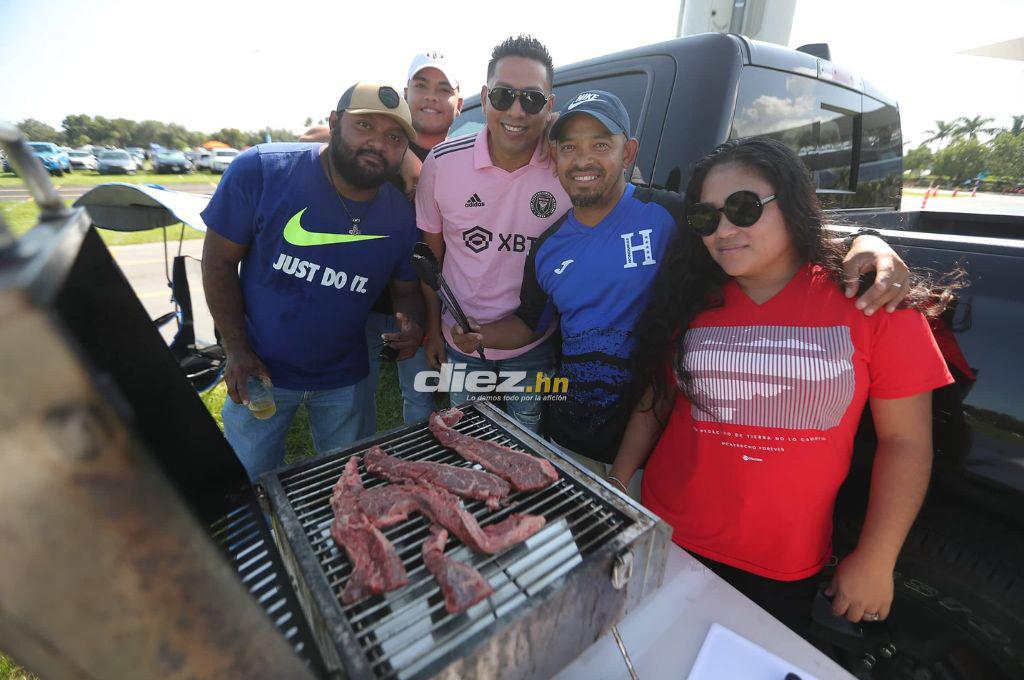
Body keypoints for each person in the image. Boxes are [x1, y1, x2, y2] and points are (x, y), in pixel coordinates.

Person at [451, 93, 914, 499]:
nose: (583, 159)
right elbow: (531, 324)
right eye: (569, 146)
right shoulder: (547, 246)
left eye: (600, 144)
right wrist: (483, 336)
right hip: (567, 436)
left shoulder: (673, 215)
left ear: (628, 152)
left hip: (657, 449)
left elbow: (767, 233)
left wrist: (870, 241)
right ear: (554, 158)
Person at [611, 136, 955, 634]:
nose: (723, 230)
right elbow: (658, 399)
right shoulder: (692, 299)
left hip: (783, 563)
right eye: (706, 218)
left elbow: (905, 443)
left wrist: (877, 559)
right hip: (669, 534)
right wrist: (619, 488)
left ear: (790, 204)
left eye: (744, 208)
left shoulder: (874, 304)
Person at [201, 82, 425, 482]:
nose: (378, 143)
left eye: (393, 137)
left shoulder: (402, 218)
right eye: (365, 126)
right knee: (249, 487)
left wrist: (409, 322)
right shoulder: (262, 171)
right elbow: (218, 263)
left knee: (346, 490)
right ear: (335, 122)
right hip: (259, 371)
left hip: (346, 380)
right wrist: (235, 349)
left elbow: (405, 290)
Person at [298, 52, 464, 431]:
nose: (431, 97)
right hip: (365, 301)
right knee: (354, 399)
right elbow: (311, 137)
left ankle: (423, 464)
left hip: (427, 302)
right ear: (405, 92)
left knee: (420, 392)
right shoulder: (383, 145)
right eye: (421, 85)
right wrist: (405, 154)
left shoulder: (463, 157)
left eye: (443, 88)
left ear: (460, 100)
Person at [416, 35, 566, 432]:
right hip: (461, 340)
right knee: (467, 440)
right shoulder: (442, 164)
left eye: (531, 99)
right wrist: (434, 329)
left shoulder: (566, 167)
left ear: (549, 106)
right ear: (484, 98)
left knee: (529, 445)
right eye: (503, 96)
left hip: (533, 342)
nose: (516, 111)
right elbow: (431, 260)